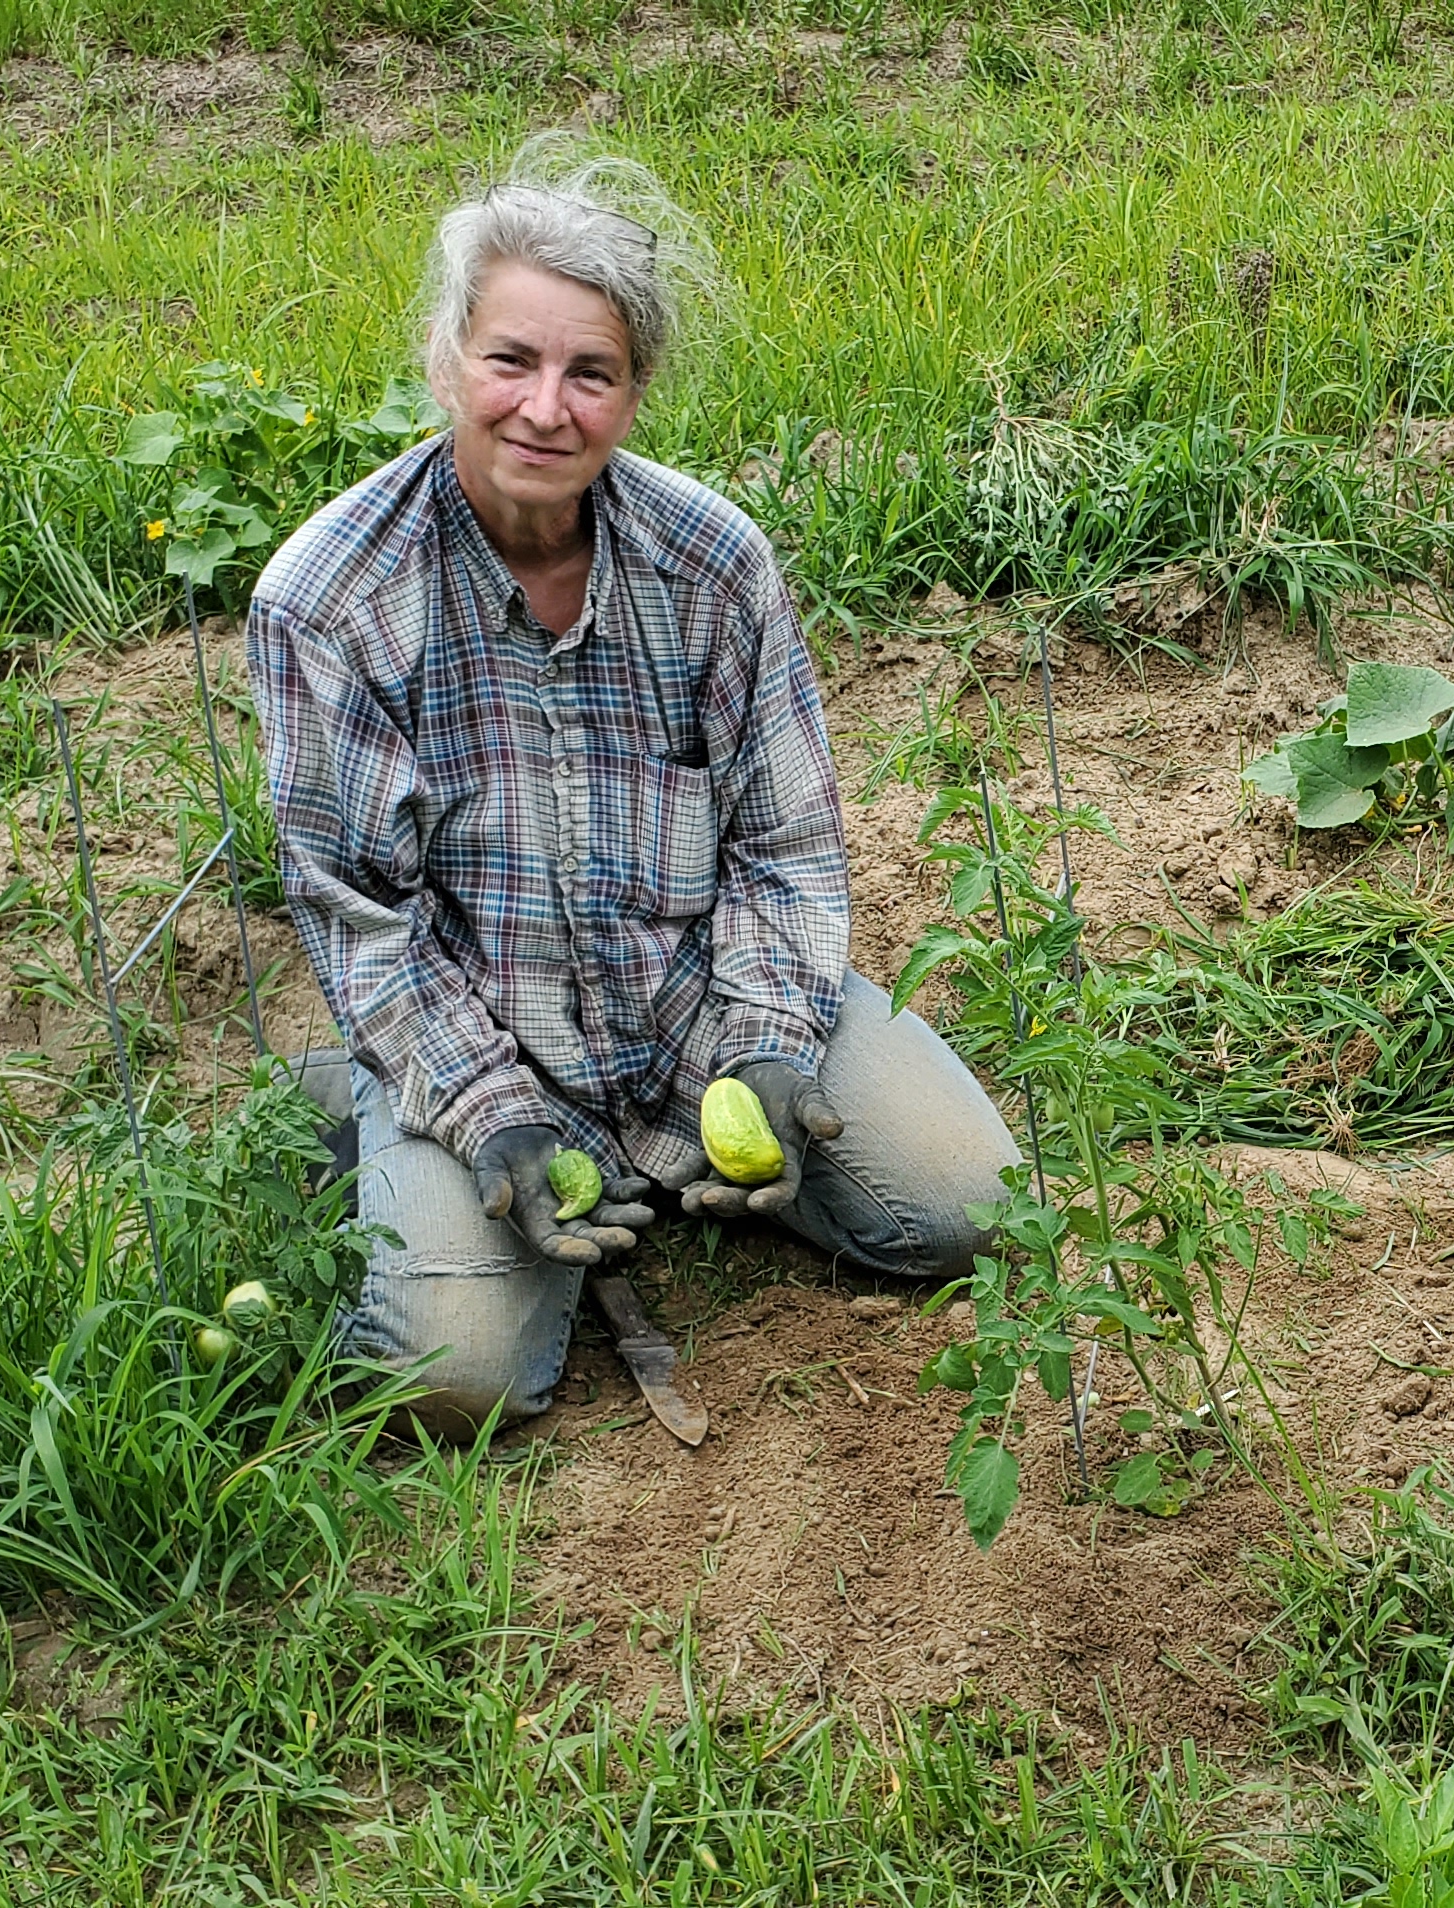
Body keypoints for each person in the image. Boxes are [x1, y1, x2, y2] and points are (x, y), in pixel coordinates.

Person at [249, 138, 1018, 1439]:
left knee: (978, 1209)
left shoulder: (714, 563)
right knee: (450, 1383)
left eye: (589, 372)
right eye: (511, 361)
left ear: (633, 391)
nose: (546, 407)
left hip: (695, 1015)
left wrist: (770, 1038)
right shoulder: (327, 602)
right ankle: (363, 1108)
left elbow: (784, 846)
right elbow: (365, 923)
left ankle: (684, 1160)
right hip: (485, 1054)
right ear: (445, 363)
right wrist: (493, 1124)